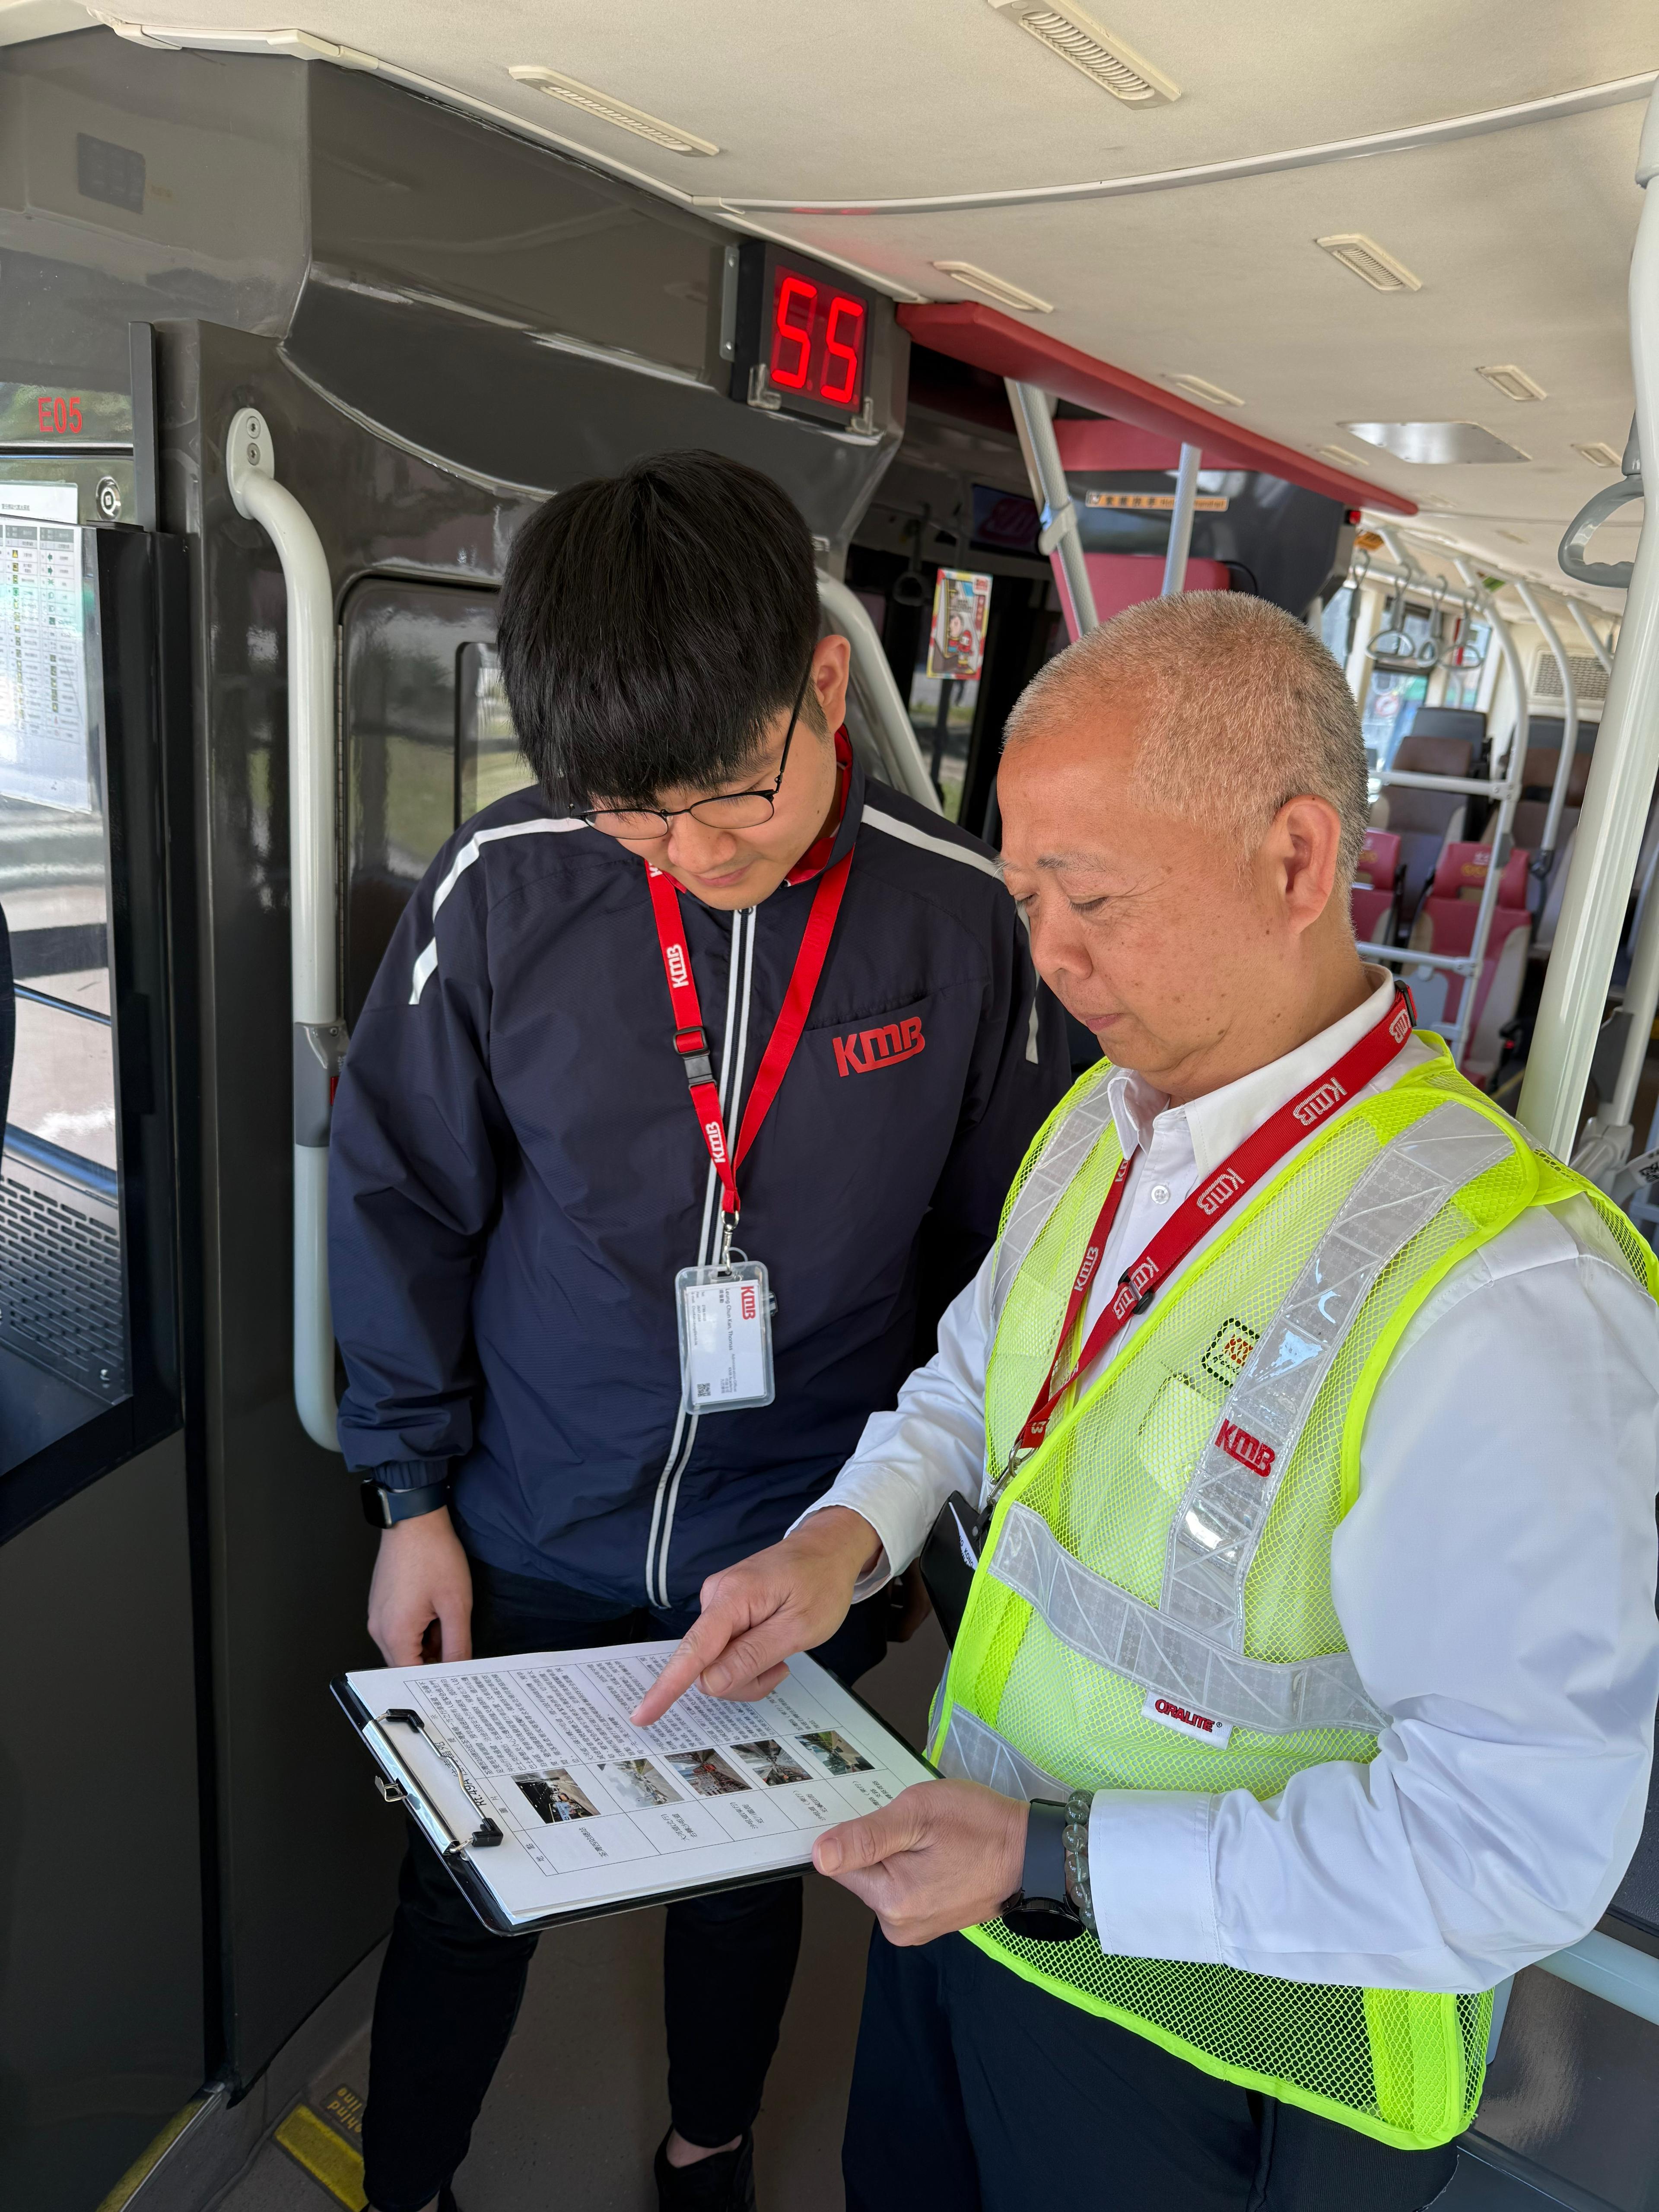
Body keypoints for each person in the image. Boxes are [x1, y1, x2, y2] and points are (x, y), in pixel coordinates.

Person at [638, 591, 1659, 2212]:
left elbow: (1515, 1845)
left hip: (1231, 2047)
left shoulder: (1503, 1294)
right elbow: (978, 1378)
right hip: (977, 1900)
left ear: (1297, 862)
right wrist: (845, 1539)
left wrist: (1060, 1860)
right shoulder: (1105, 1127)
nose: (1049, 952)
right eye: (1027, 893)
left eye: (1094, 895)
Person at [328, 449, 1068, 2212]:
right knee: (468, 1881)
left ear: (824, 682)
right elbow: (401, 1198)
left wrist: (892, 1534)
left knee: (749, 1877)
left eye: (736, 794)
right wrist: (409, 1497)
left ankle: (705, 2149)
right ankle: (407, 2185)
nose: (699, 851)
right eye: (636, 820)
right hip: (528, 1511)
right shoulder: (502, 884)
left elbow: (996, 1266)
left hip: (792, 1532)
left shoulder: (958, 919)